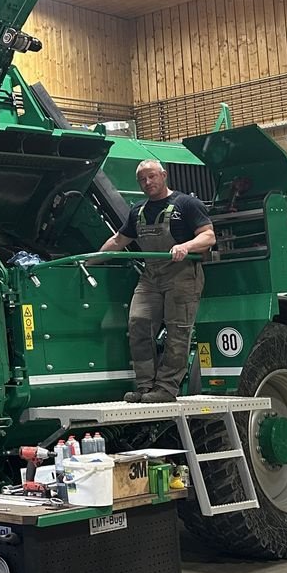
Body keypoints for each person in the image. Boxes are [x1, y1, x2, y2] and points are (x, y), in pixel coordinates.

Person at [99, 159, 215, 403]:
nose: (147, 182)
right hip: (151, 276)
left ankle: (166, 388)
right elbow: (119, 240)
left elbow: (208, 236)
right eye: (142, 179)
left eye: (151, 176)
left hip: (182, 275)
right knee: (138, 324)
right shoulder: (137, 211)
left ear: (164, 175)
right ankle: (145, 386)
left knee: (177, 332)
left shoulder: (186, 204)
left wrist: (186, 246)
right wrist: (89, 260)